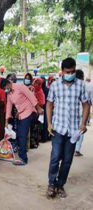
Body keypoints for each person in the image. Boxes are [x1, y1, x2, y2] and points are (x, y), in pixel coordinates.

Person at [46, 58, 90, 198]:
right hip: (58, 128)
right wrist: (48, 123)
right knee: (55, 158)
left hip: (73, 131)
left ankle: (60, 185)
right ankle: (51, 183)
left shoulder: (81, 85)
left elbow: (86, 104)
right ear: (63, 71)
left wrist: (83, 123)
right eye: (67, 72)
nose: (70, 74)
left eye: (72, 71)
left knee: (67, 160)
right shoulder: (55, 85)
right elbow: (49, 104)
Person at [1, 79, 44, 166]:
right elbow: (9, 106)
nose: (5, 89)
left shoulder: (19, 87)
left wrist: (38, 108)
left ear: (8, 84)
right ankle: (22, 156)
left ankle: (23, 158)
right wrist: (6, 121)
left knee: (22, 134)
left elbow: (31, 96)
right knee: (20, 134)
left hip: (29, 111)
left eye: (5, 87)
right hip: (21, 114)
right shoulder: (9, 93)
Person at [74, 70, 90, 157]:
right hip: (83, 112)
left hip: (75, 112)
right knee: (81, 130)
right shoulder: (87, 86)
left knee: (73, 130)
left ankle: (72, 148)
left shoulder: (72, 85)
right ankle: (77, 149)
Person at [30, 78, 45, 148]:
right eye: (36, 82)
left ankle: (34, 142)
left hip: (36, 113)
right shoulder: (31, 89)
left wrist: (35, 103)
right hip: (29, 111)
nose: (37, 84)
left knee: (35, 128)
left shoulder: (40, 92)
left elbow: (42, 102)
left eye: (39, 83)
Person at [41, 76, 50, 143]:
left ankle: (45, 137)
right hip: (39, 106)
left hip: (45, 106)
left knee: (45, 122)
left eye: (43, 80)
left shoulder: (46, 89)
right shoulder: (37, 89)